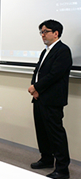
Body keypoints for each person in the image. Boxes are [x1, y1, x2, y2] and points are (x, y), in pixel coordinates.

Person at [28, 20, 72, 179]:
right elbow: (38, 71)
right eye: (41, 31)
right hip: (39, 98)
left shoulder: (63, 50)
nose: (42, 34)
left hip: (52, 99)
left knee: (55, 134)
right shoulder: (45, 51)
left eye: (45, 31)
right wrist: (34, 87)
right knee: (42, 131)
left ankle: (62, 169)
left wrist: (37, 87)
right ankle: (46, 159)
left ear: (56, 33)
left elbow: (54, 75)